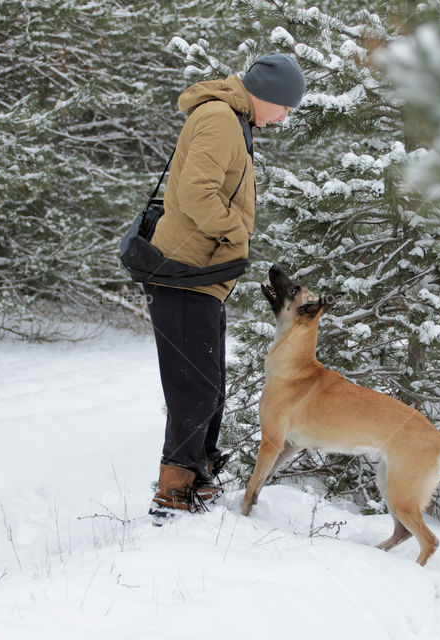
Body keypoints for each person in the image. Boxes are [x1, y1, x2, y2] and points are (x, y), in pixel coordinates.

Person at [146, 53, 305, 513]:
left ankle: (198, 477)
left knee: (208, 384)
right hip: (184, 273)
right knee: (191, 388)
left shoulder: (233, 119)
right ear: (267, 95)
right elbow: (198, 192)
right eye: (286, 107)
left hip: (201, 274)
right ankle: (172, 494)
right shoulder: (219, 118)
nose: (285, 117)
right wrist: (236, 232)